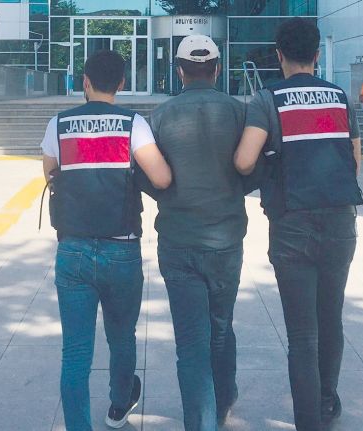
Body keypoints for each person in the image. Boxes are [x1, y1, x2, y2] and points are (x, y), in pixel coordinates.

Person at [234, 18, 363, 431]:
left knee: (303, 333)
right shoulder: (339, 97)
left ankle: (309, 420)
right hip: (340, 221)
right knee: (331, 317)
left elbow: (244, 161)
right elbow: (354, 163)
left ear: (279, 56)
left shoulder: (266, 99)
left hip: (292, 223)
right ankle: (327, 401)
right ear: (317, 55)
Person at [40, 50, 172, 431]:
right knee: (122, 337)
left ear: (85, 82)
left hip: (73, 250)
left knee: (75, 353)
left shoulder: (59, 125)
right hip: (121, 249)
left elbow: (50, 175)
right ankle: (118, 406)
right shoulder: (134, 125)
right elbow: (162, 178)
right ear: (121, 84)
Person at [143, 35, 248, 430]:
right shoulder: (239, 112)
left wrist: (168, 193)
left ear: (179, 71)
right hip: (226, 240)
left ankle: (202, 421)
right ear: (217, 69)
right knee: (220, 327)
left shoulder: (160, 116)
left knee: (191, 342)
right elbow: (254, 167)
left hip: (178, 239)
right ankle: (223, 400)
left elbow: (146, 175)